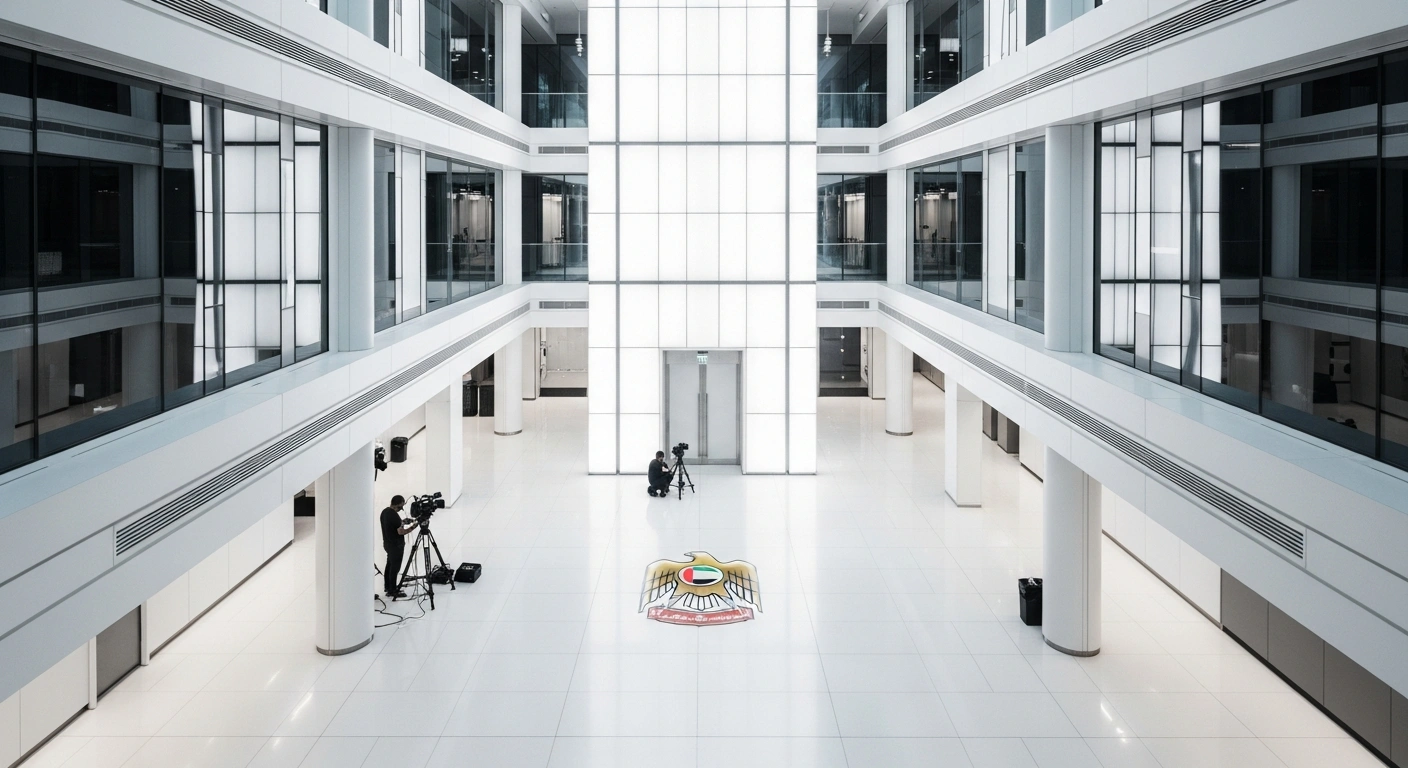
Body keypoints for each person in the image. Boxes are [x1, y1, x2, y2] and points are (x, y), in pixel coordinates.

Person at [380, 495, 416, 598]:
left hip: (387, 544)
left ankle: (388, 587)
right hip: (396, 546)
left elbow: (393, 526)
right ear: (397, 504)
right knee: (395, 568)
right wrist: (413, 527)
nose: (402, 508)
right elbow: (401, 532)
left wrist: (403, 521)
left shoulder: (385, 512)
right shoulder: (394, 515)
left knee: (389, 566)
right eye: (401, 506)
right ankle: (393, 590)